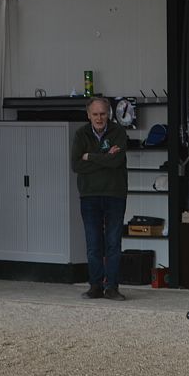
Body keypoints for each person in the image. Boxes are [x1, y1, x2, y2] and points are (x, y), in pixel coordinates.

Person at [71, 96, 129, 301]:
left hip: (115, 194)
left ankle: (112, 287)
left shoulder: (119, 132)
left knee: (113, 242)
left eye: (103, 114)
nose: (99, 118)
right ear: (88, 115)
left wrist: (90, 156)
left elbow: (116, 162)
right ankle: (95, 286)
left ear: (108, 114)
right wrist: (105, 157)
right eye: (95, 114)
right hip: (89, 195)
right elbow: (76, 165)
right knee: (93, 243)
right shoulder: (81, 134)